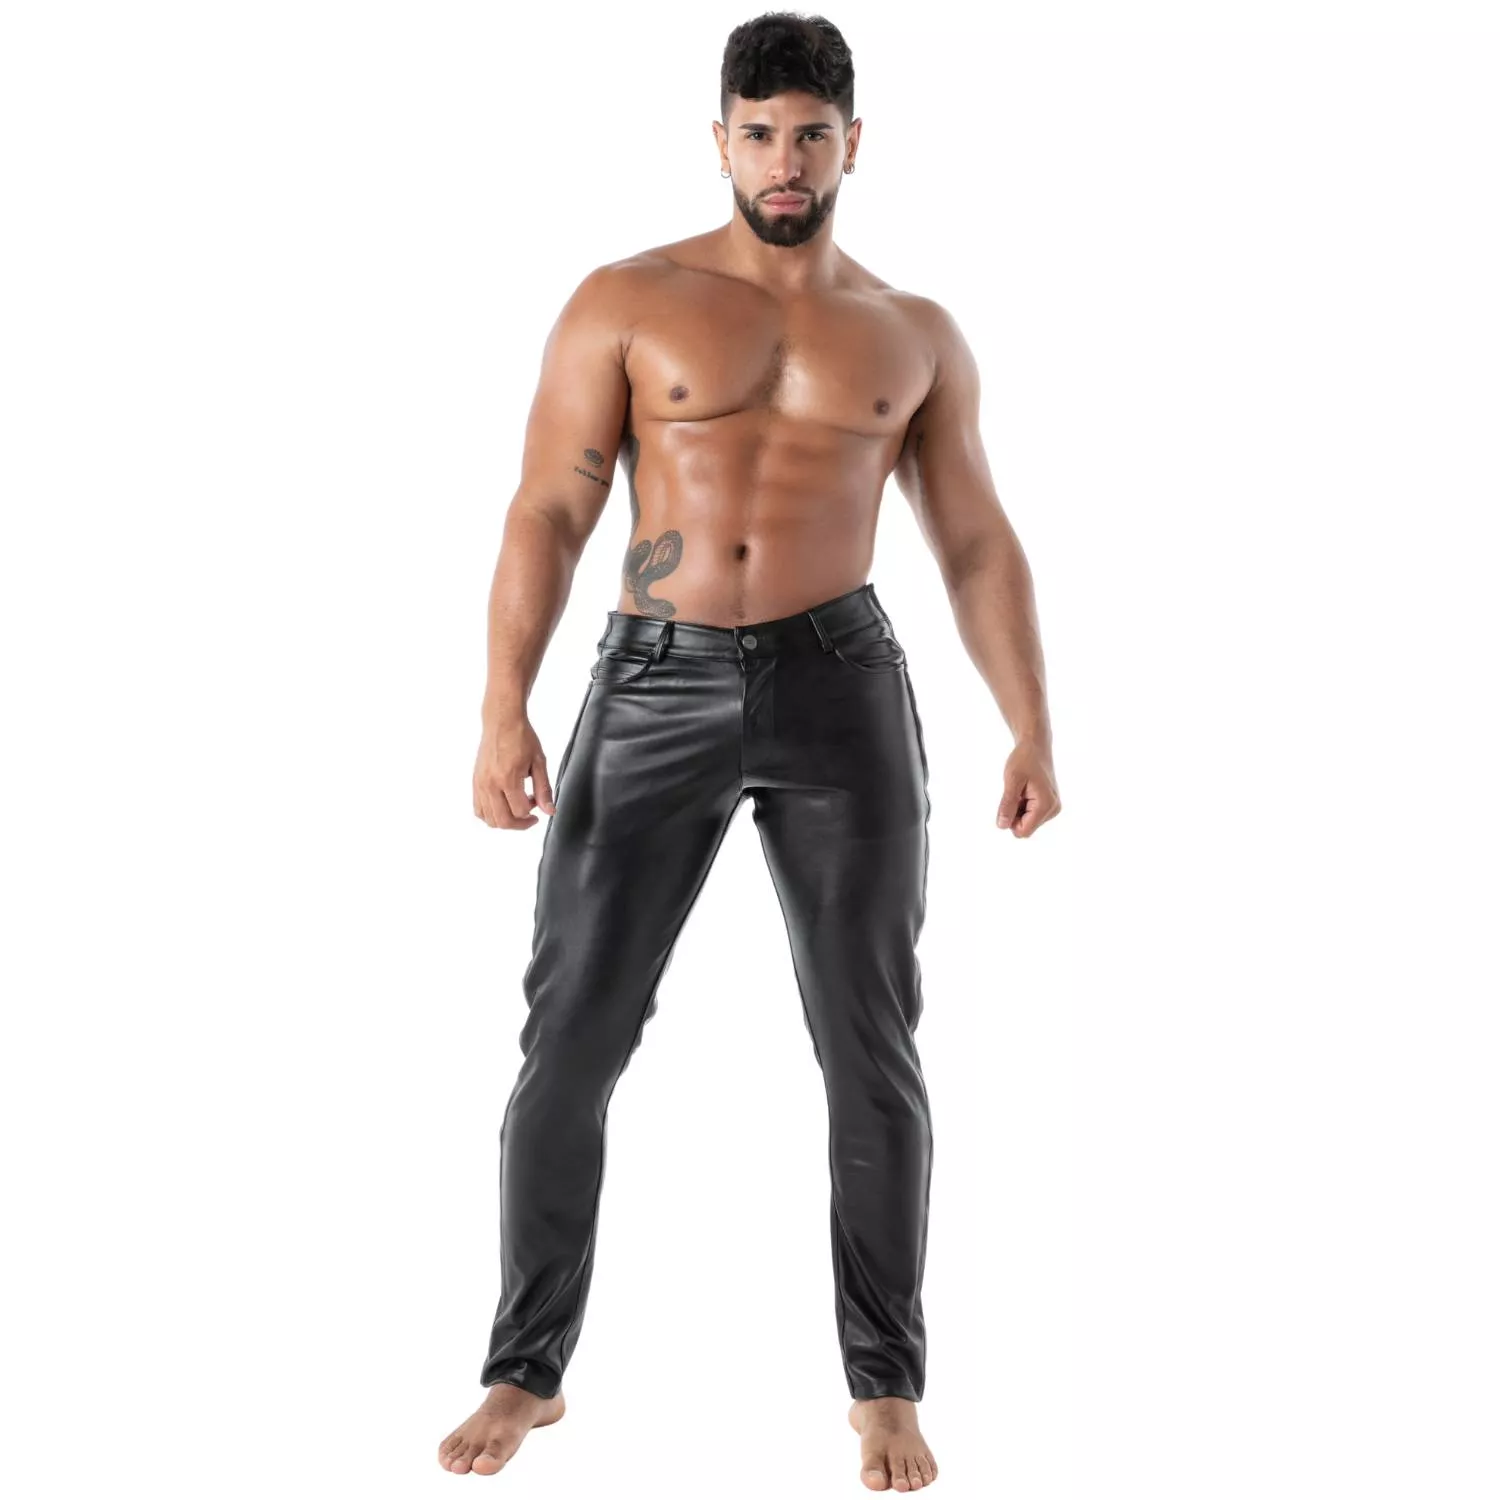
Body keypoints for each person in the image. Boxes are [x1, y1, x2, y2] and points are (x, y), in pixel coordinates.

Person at [437, 11, 1060, 1490]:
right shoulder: (626, 299)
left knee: (871, 1044)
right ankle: (527, 1368)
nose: (787, 161)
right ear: (719, 140)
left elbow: (973, 537)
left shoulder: (912, 332)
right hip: (653, 680)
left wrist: (1030, 719)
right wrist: (502, 703)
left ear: (855, 146)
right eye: (763, 133)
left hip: (842, 682)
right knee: (572, 1036)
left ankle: (886, 1385)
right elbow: (549, 508)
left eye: (813, 137)